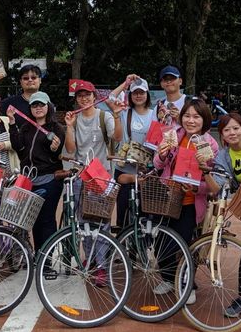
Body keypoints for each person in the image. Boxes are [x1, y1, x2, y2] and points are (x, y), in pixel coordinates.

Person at [153, 98, 219, 304]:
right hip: (167, 197)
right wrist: (162, 154)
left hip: (191, 201)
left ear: (204, 119)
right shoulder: (174, 134)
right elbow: (157, 163)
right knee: (161, 243)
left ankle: (187, 283)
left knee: (184, 245)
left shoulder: (210, 144)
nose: (191, 120)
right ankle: (169, 278)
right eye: (187, 116)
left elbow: (212, 183)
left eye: (196, 117)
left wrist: (196, 187)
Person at [63, 80, 124, 286]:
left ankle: (102, 265)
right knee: (84, 223)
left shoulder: (103, 116)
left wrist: (116, 115)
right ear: (76, 98)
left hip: (102, 176)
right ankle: (90, 259)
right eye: (80, 95)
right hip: (82, 176)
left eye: (87, 95)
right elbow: (71, 150)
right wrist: (69, 128)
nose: (84, 98)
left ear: (94, 96)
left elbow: (117, 136)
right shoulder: (75, 118)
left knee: (102, 223)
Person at [205, 112, 241, 318]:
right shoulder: (223, 157)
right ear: (222, 135)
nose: (232, 133)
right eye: (226, 130)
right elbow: (217, 188)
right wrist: (205, 172)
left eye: (236, 128)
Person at [8, 91, 65, 251]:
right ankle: (38, 255)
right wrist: (12, 123)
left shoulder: (56, 128)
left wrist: (55, 148)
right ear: (30, 108)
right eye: (34, 105)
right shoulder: (26, 127)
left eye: (41, 104)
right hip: (28, 180)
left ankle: (45, 260)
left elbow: (56, 154)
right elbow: (18, 148)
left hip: (49, 180)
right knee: (33, 219)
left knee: (46, 219)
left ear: (49, 106)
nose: (38, 108)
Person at [107, 74, 153, 226]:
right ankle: (123, 246)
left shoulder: (154, 115)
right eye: (135, 93)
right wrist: (125, 83)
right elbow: (109, 98)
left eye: (142, 92)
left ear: (147, 94)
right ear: (130, 95)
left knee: (145, 215)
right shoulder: (125, 111)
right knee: (123, 213)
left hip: (145, 170)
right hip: (124, 169)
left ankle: (140, 248)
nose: (139, 96)